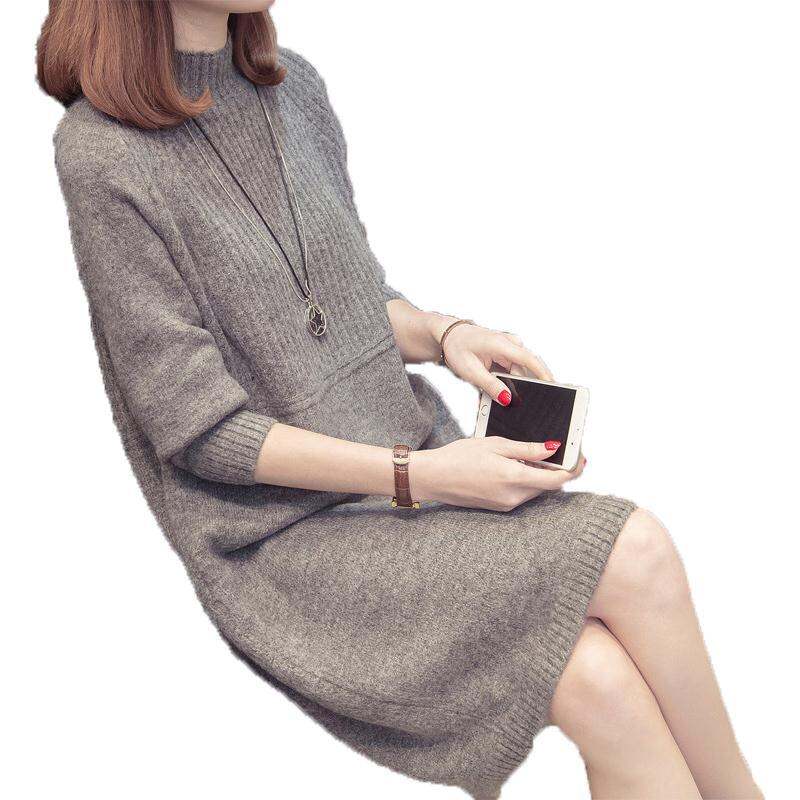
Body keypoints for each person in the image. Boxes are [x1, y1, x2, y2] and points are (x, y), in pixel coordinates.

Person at [37, 1, 762, 797]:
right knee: (634, 549)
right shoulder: (103, 154)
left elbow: (341, 298)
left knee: (603, 684)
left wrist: (445, 334)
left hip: (407, 472)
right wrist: (423, 477)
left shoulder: (292, 89)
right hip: (284, 541)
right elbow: (201, 429)